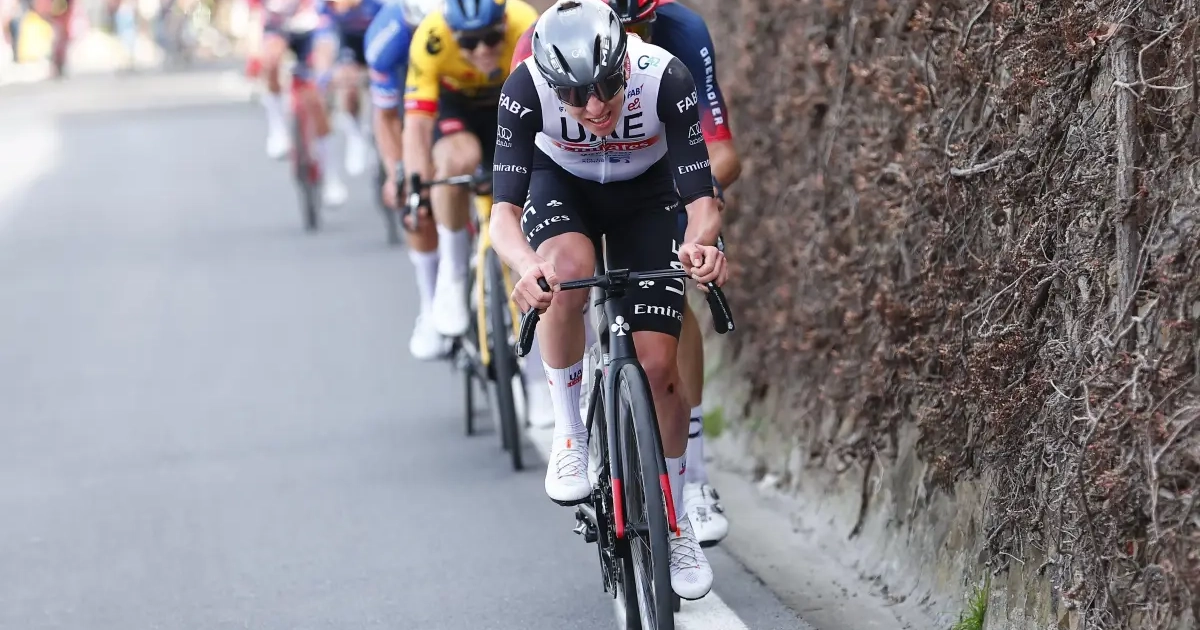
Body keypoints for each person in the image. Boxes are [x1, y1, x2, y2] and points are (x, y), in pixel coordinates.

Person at [489, 0, 727, 600]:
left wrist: (699, 245)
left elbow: (702, 201)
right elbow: (502, 217)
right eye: (574, 96)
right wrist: (526, 267)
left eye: (607, 86)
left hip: (647, 194)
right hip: (561, 185)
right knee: (564, 273)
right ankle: (570, 433)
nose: (595, 107)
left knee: (659, 367)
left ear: (625, 62)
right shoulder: (524, 86)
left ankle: (675, 521)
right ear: (551, 83)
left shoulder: (665, 75)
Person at [400, 0, 538, 343]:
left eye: (491, 38)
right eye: (469, 42)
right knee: (456, 162)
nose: (482, 50)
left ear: (505, 24)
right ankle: (453, 272)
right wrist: (418, 188)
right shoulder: (431, 37)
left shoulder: (525, 22)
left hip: (510, 105)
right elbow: (417, 125)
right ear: (451, 33)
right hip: (456, 109)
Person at [365, 0, 448, 359]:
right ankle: (430, 306)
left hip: (467, 97)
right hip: (413, 109)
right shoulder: (387, 36)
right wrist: (395, 169)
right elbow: (385, 117)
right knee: (415, 199)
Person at [255, 0, 346, 204]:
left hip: (313, 26)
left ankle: (331, 175)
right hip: (279, 25)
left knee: (317, 96)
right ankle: (277, 129)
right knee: (269, 62)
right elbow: (254, 15)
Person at [311, 0, 383, 193]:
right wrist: (323, 78)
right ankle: (355, 133)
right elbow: (323, 40)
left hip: (374, 35)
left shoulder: (377, 5)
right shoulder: (327, 8)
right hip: (347, 41)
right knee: (347, 83)